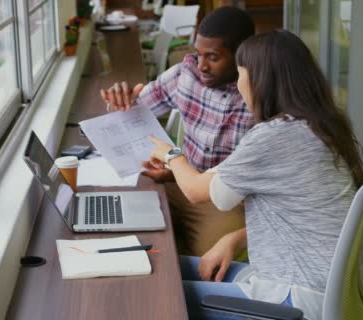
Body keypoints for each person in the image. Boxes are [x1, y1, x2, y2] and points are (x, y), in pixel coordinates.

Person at [147, 30, 363, 320]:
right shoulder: (318, 127)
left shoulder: (275, 137)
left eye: (241, 74)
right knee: (160, 269)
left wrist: (171, 155)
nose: (239, 85)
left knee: (157, 293)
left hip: (292, 297)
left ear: (259, 80)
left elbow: (195, 191)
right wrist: (235, 239)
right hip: (306, 283)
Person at [99, 7, 256, 256]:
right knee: (123, 227)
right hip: (179, 182)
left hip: (226, 202)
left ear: (242, 55)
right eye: (198, 53)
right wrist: (119, 102)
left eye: (213, 57)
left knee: (208, 265)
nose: (201, 65)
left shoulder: (259, 97)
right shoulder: (186, 74)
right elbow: (132, 111)